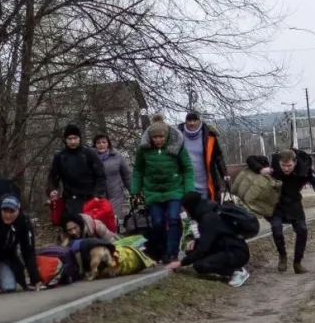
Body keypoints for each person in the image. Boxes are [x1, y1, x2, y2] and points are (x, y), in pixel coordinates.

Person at [249, 148, 315, 274]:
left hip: (294, 204)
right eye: (283, 165)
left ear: (295, 162)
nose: (286, 169)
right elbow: (251, 159)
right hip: (276, 204)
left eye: (289, 166)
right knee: (276, 228)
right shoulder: (272, 163)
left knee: (302, 230)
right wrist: (261, 169)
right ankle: (282, 256)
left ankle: (297, 263)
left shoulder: (305, 170)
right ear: (279, 162)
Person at [131, 114, 194, 263]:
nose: (158, 140)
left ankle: (172, 251)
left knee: (173, 219)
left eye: (161, 137)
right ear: (151, 138)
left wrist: (189, 191)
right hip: (153, 192)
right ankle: (162, 249)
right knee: (157, 222)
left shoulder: (176, 147)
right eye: (155, 137)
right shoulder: (144, 150)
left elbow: (188, 169)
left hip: (174, 190)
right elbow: (138, 170)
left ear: (166, 136)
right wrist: (135, 190)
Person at [167, 192, 250, 287]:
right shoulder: (207, 212)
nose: (184, 211)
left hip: (235, 252)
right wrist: (195, 241)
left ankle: (237, 272)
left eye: (184, 208)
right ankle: (231, 267)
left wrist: (181, 263)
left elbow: (204, 247)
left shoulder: (208, 218)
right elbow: (211, 236)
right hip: (229, 248)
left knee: (200, 265)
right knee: (192, 252)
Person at [48, 124, 108, 217]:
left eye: (75, 138)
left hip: (90, 197)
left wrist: (97, 195)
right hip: (71, 199)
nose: (72, 141)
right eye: (70, 139)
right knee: (75, 226)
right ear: (65, 140)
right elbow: (53, 176)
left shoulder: (89, 153)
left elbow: (101, 175)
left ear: (79, 138)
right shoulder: (60, 157)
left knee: (91, 226)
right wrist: (52, 189)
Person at [178, 112, 229, 202]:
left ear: (199, 121)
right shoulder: (178, 135)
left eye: (195, 120)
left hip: (206, 181)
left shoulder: (209, 136)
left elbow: (218, 156)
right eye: (189, 120)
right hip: (185, 181)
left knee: (208, 208)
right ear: (185, 121)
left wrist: (224, 173)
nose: (192, 123)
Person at [93, 134, 132, 222]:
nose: (101, 145)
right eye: (98, 143)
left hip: (116, 193)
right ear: (95, 145)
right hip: (98, 195)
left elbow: (127, 176)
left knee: (116, 219)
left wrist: (133, 192)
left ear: (108, 144)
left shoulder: (117, 157)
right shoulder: (91, 158)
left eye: (104, 142)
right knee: (101, 220)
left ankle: (118, 234)